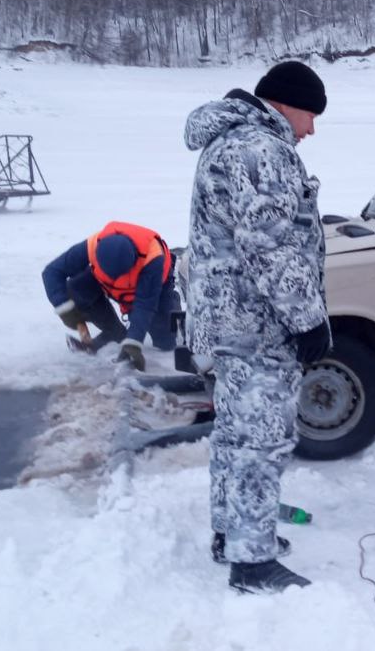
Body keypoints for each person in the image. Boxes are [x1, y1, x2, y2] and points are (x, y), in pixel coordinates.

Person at [183, 60, 330, 593]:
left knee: (233, 431)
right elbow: (269, 244)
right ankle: (252, 561)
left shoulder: (231, 142)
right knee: (260, 440)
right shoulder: (260, 150)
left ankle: (231, 531)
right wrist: (308, 318)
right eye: (310, 115)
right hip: (255, 321)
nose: (310, 129)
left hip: (229, 317)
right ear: (285, 104)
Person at [41, 221, 176, 371]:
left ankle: (172, 303)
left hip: (154, 288)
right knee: (76, 289)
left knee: (165, 342)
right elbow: (52, 272)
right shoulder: (93, 245)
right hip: (109, 285)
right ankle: (115, 332)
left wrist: (133, 342)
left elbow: (144, 303)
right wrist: (64, 308)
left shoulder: (152, 257)